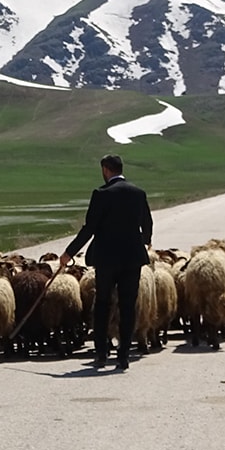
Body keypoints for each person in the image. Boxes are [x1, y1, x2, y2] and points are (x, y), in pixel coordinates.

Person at [59, 154, 153, 371]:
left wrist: (69, 253)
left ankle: (101, 353)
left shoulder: (101, 195)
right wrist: (144, 242)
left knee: (102, 303)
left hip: (106, 259)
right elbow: (147, 223)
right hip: (132, 258)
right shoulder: (138, 193)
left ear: (105, 169)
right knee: (128, 305)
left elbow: (89, 228)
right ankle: (124, 355)